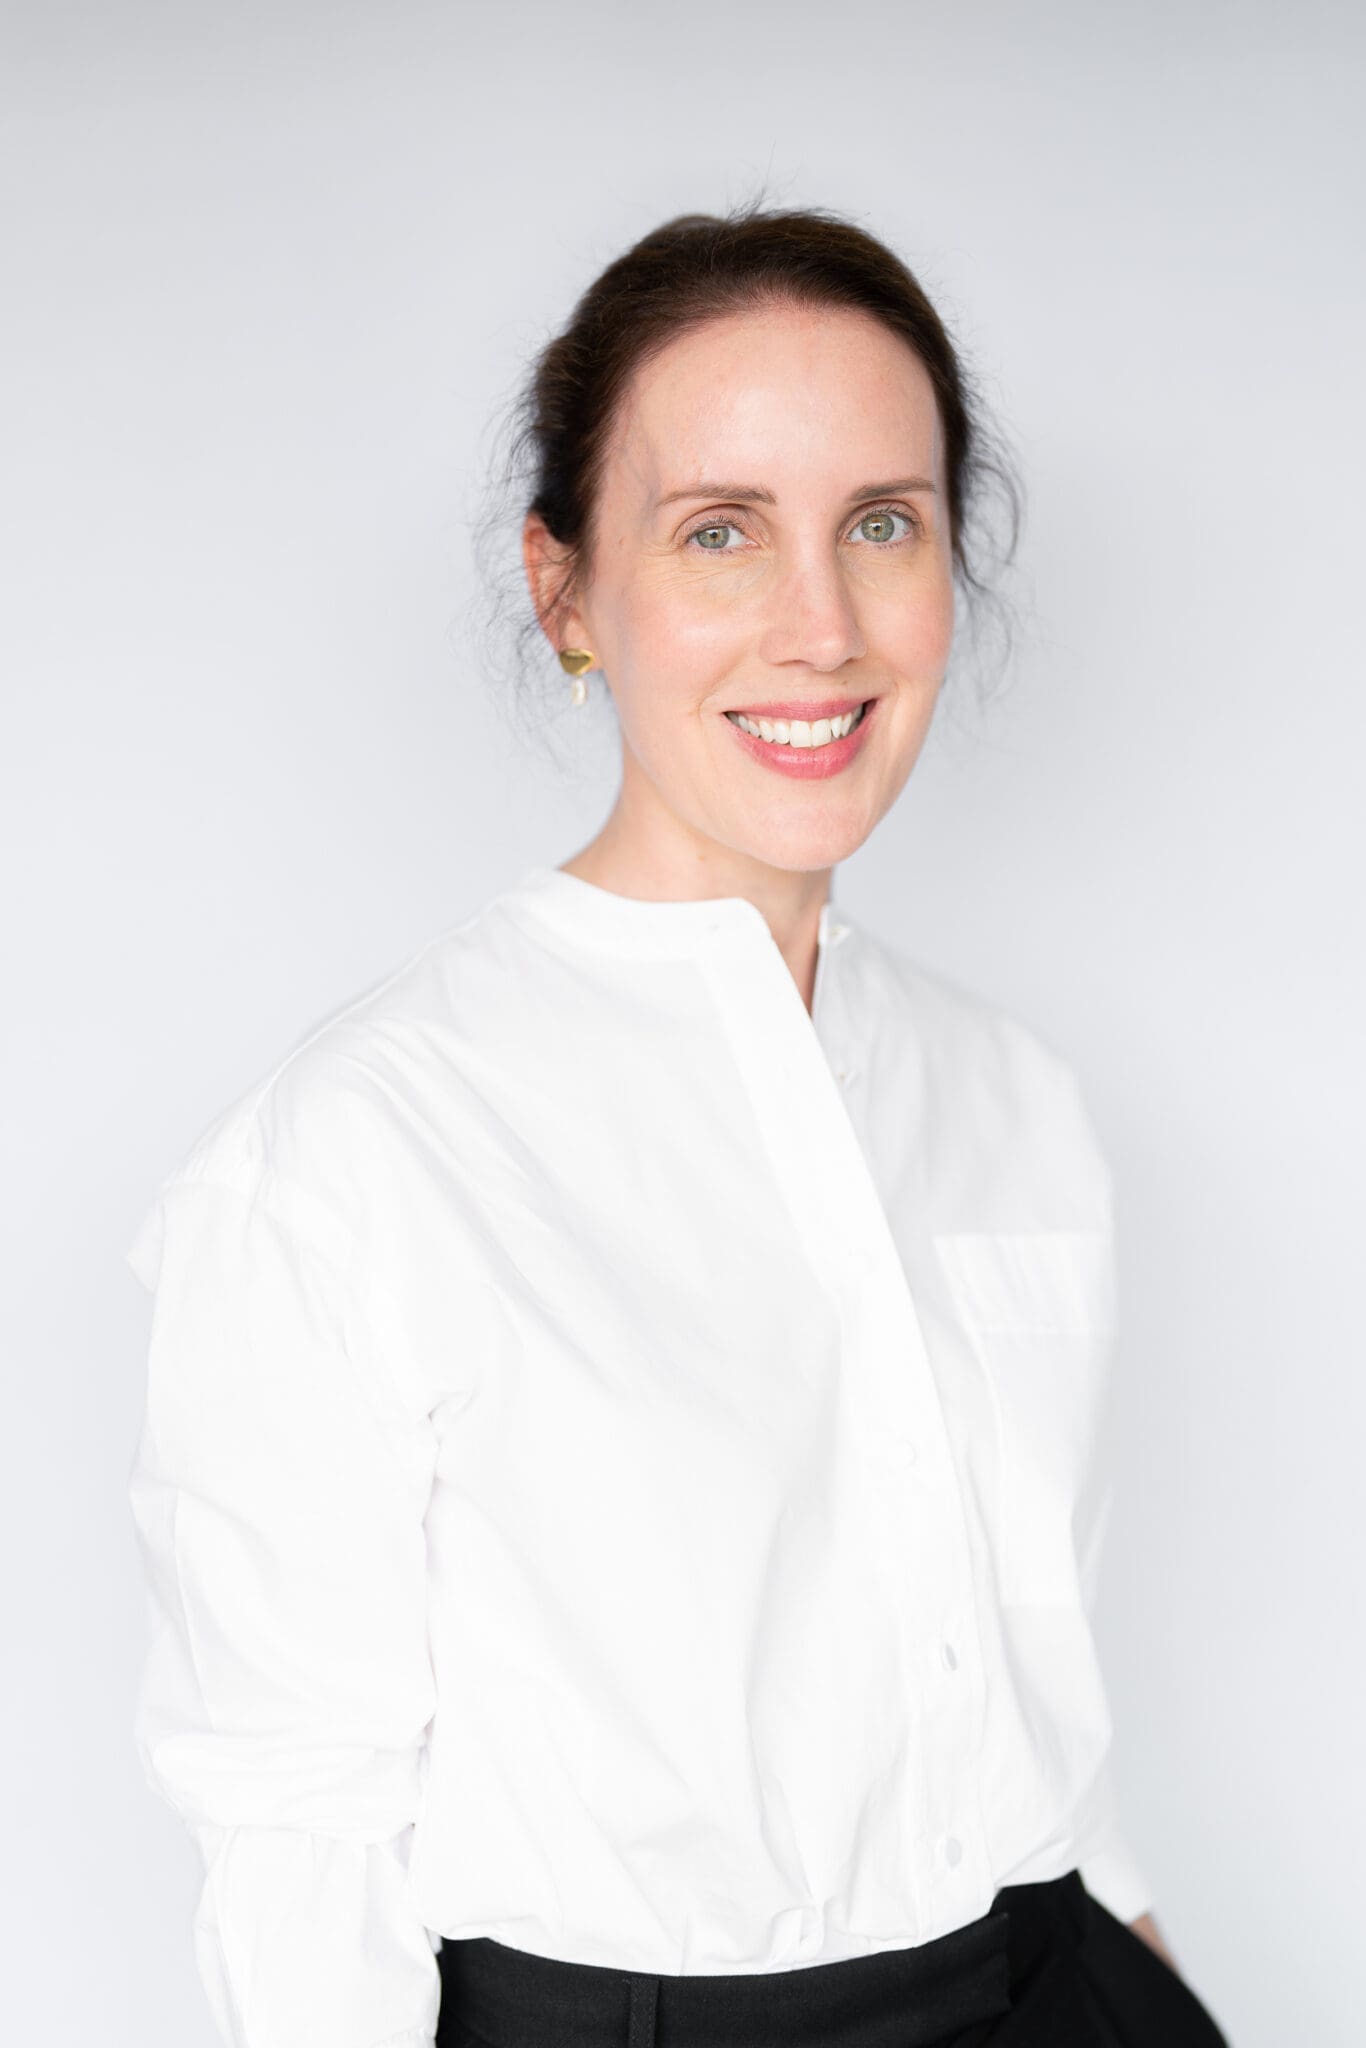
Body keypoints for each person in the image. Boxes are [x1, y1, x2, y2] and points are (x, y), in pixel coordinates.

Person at [126, 201, 1231, 2048]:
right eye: (719, 532)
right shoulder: (358, 1153)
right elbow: (293, 1818)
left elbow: (1021, 1658)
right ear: (568, 592)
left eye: (881, 524)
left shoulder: (1013, 1099)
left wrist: (1137, 1954)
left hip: (1054, 1975)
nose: (821, 626)